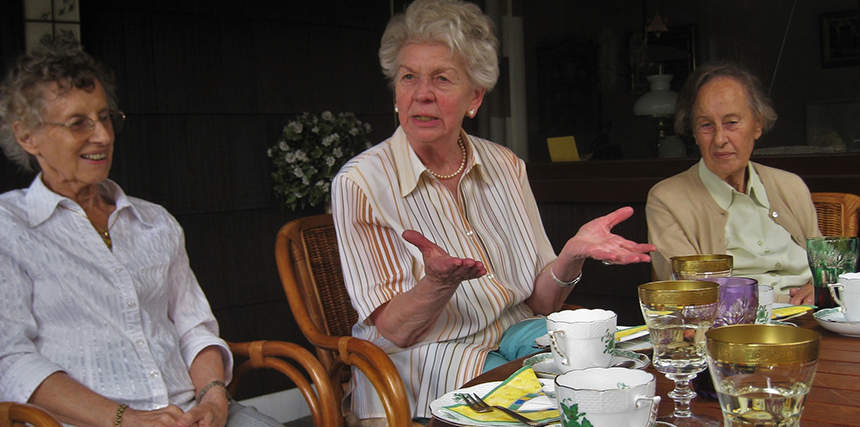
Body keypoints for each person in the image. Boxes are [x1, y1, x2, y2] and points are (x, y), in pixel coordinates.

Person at [330, 0, 655, 422]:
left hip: (518, 332)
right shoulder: (361, 183)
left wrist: (572, 253)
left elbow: (541, 304)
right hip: (424, 357)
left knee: (608, 373)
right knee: (546, 407)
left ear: (475, 97)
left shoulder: (504, 165)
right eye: (409, 76)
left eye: (442, 78)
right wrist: (437, 283)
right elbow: (395, 330)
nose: (421, 93)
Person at [0, 42, 282, 427]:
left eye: (105, 117)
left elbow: (193, 328)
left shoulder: (154, 221)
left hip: (190, 414)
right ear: (27, 136)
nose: (102, 136)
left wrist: (214, 399)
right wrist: (125, 418)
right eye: (78, 122)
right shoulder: (9, 226)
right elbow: (10, 360)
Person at [646, 61, 819, 305]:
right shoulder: (667, 199)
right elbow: (693, 295)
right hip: (735, 330)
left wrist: (818, 290)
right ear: (694, 132)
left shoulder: (791, 186)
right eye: (706, 125)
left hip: (813, 320)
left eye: (731, 123)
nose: (719, 139)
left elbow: (826, 270)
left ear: (757, 125)